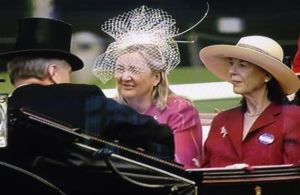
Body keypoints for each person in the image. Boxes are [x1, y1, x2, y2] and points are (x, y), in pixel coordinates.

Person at [92, 6, 203, 169]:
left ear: (156, 77)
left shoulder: (179, 111)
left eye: (134, 70)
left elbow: (184, 166)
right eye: (120, 69)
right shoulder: (108, 109)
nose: (125, 76)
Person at [199, 35, 300, 168]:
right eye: (231, 63)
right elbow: (203, 176)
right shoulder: (222, 120)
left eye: (242, 65)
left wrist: (249, 177)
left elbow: (293, 178)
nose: (232, 71)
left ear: (267, 75)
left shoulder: (292, 118)